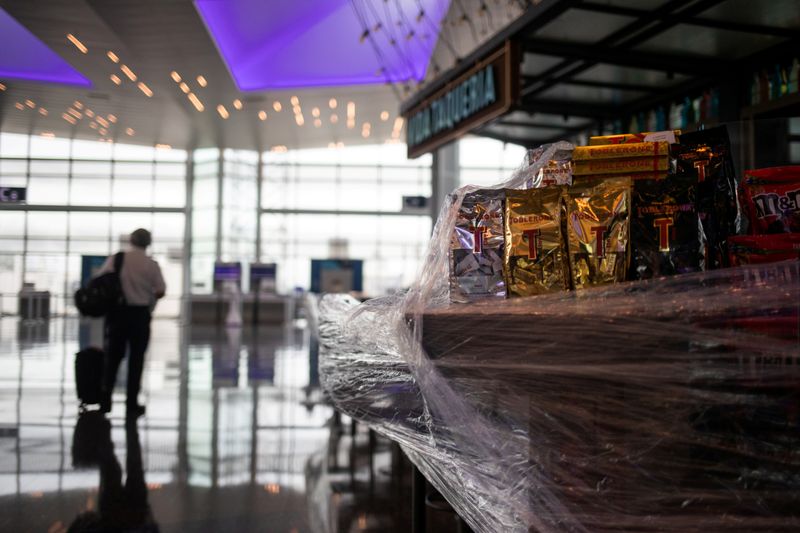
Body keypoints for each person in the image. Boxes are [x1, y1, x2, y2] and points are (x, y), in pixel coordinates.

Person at [98, 228, 166, 418]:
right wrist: (147, 295)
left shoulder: (117, 259)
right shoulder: (151, 265)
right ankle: (131, 405)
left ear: (131, 241)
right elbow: (160, 290)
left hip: (117, 314)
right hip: (140, 315)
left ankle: (105, 401)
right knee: (136, 360)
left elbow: (100, 280)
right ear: (148, 243)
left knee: (112, 357)